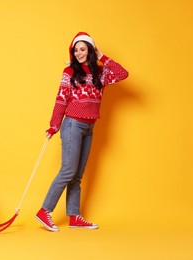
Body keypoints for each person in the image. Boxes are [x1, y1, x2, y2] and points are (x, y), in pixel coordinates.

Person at [35, 32, 129, 232]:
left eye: (82, 49)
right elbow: (61, 99)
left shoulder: (100, 73)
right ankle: (45, 210)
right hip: (72, 125)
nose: (78, 53)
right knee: (68, 170)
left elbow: (123, 74)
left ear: (90, 50)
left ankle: (74, 216)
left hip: (89, 127)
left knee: (77, 174)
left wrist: (103, 56)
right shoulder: (69, 72)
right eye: (75, 50)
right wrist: (54, 125)